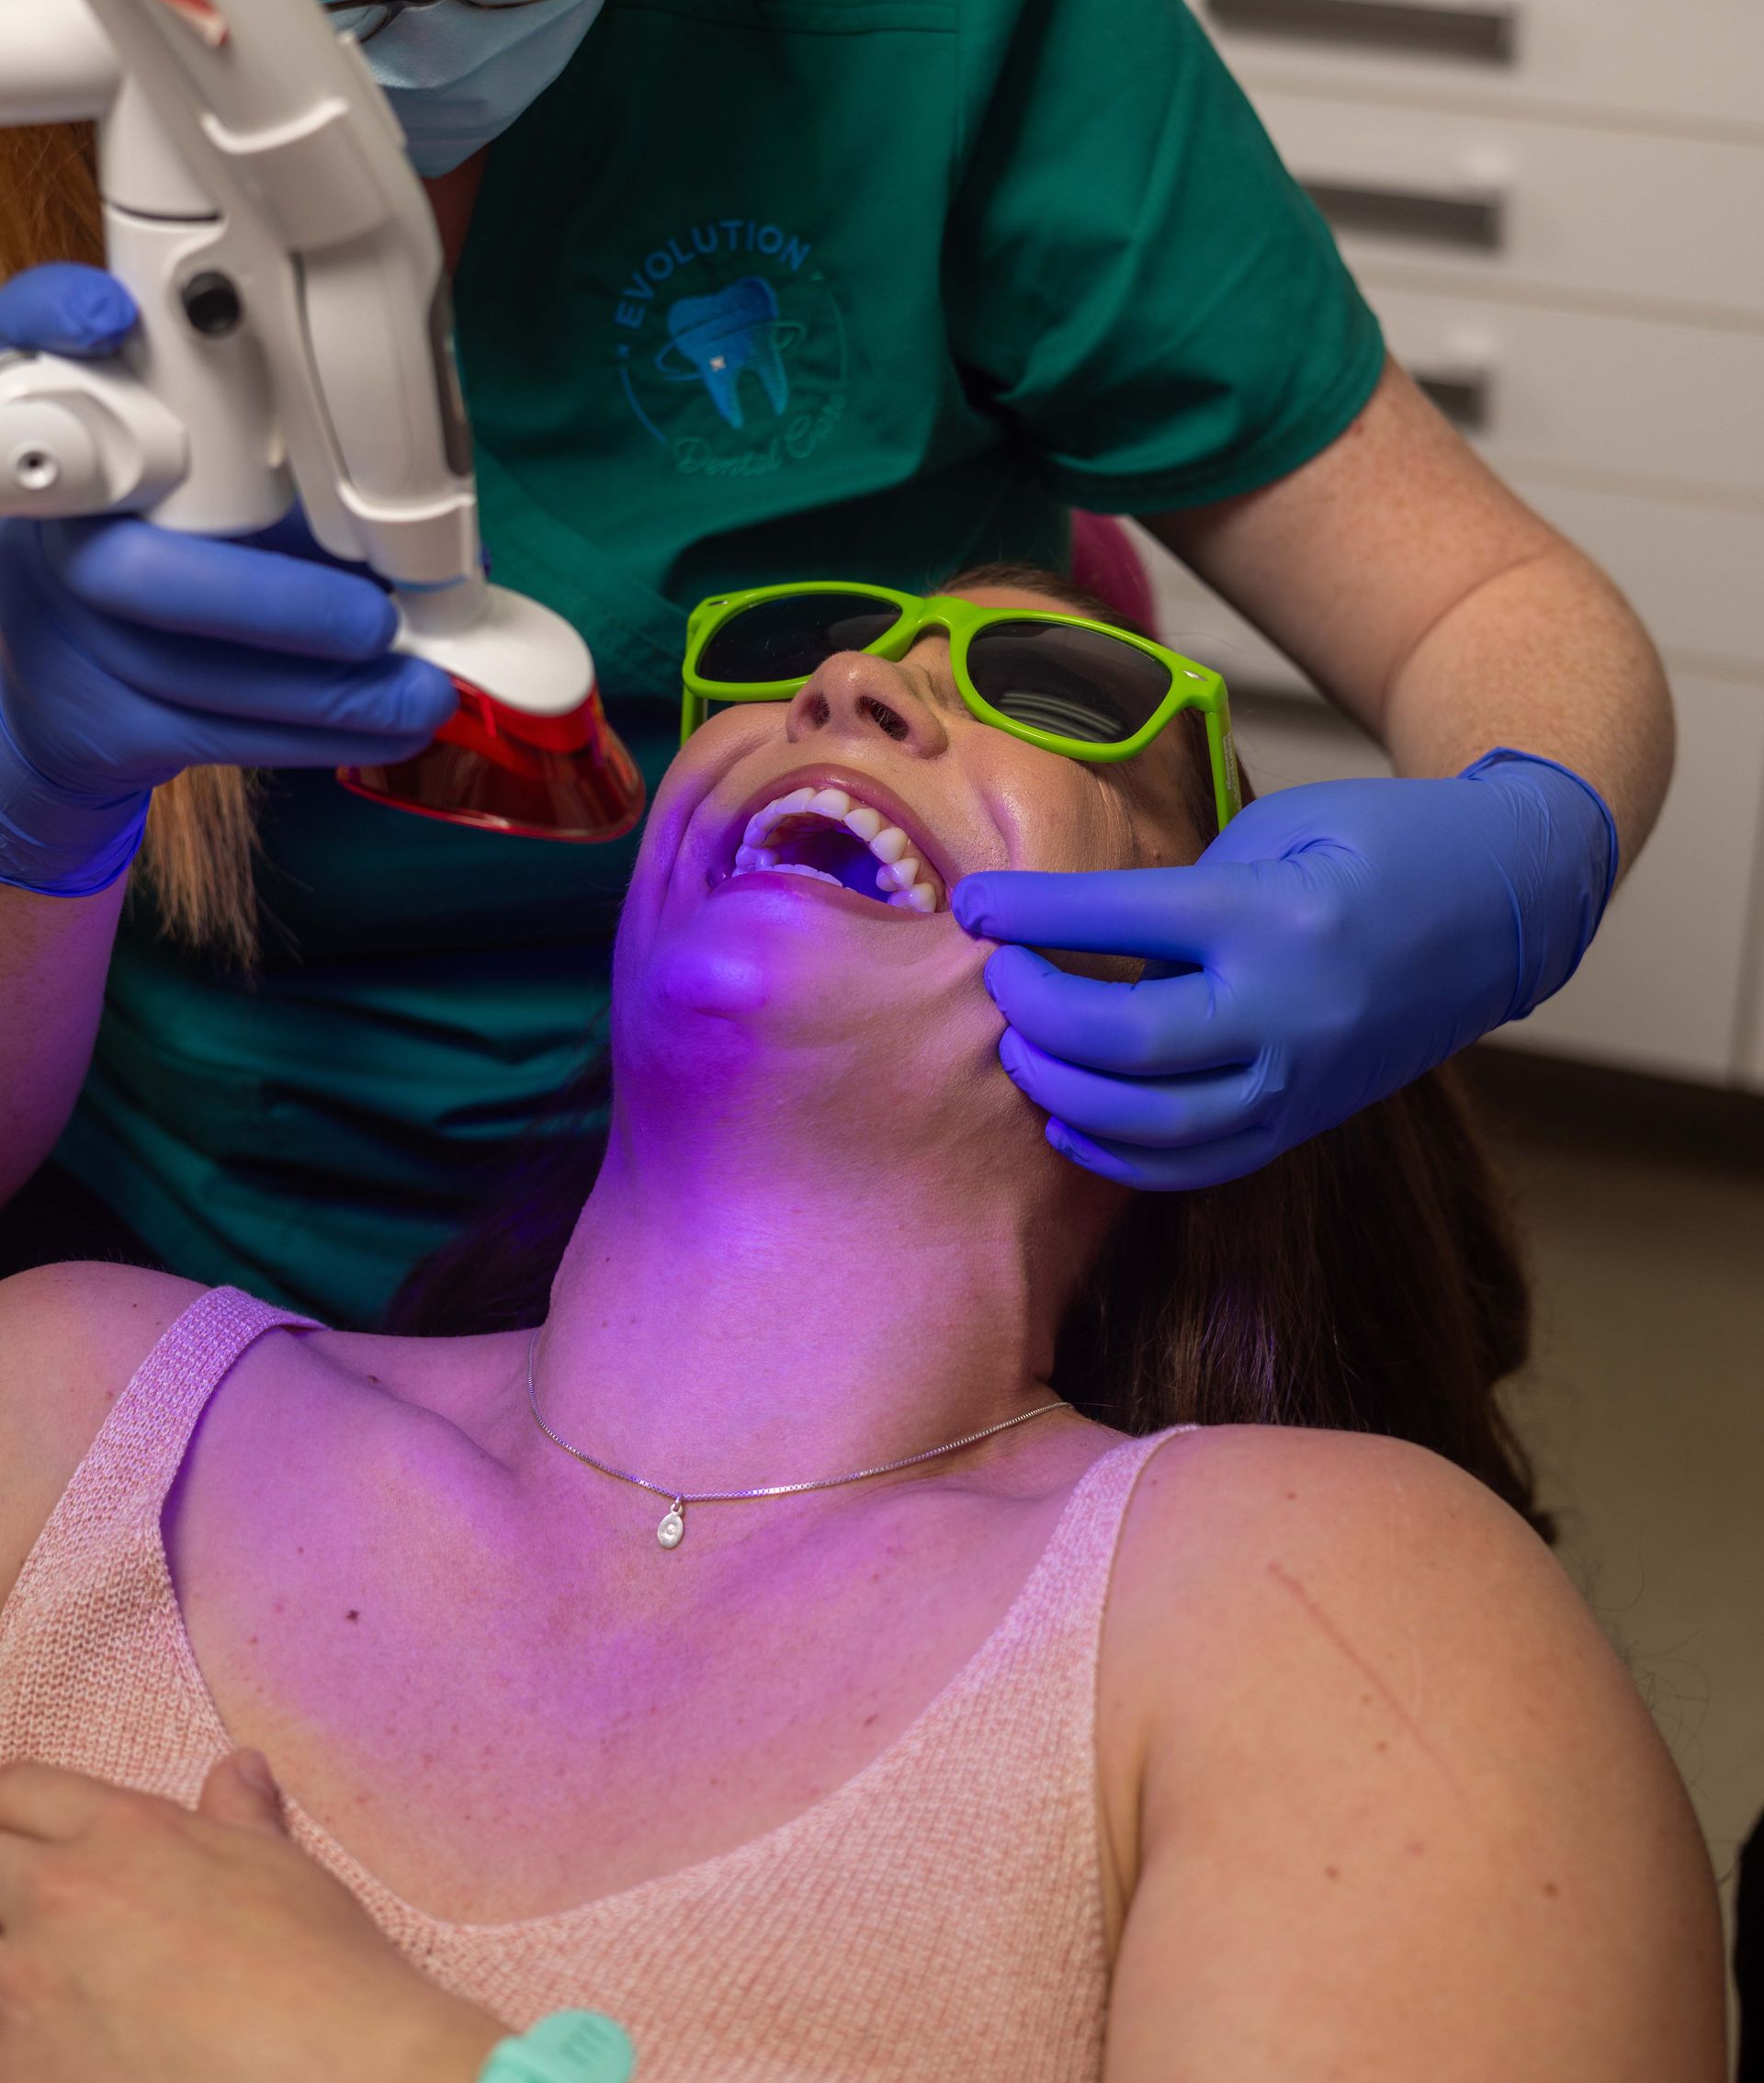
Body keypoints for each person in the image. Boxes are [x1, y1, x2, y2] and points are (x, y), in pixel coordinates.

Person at [0, 0, 1665, 1328]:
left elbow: (1491, 603)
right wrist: (33, 803)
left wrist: (1520, 846)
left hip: (896, 1263)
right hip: (183, 1255)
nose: (450, 16)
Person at [0, 573, 1726, 2081]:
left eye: (1055, 696)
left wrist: (365, 2061)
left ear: (1217, 1000)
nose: (849, 687)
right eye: (802, 658)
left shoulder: (1328, 1604)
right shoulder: (75, 1397)